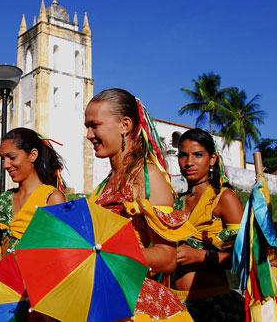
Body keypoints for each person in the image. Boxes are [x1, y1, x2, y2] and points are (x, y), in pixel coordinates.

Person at [85, 88, 194, 321]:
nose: (89, 135)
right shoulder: (102, 187)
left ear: (125, 125)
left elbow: (167, 257)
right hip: (102, 298)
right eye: (87, 127)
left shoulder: (147, 177)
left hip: (135, 303)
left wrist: (112, 256)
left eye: (95, 125)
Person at [169, 128, 245, 320]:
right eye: (183, 155)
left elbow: (244, 259)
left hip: (213, 305)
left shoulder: (223, 199)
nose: (189, 162)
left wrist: (201, 256)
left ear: (212, 159)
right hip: (176, 305)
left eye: (198, 155)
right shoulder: (176, 202)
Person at [0, 127, 66, 267]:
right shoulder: (2, 201)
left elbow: (58, 249)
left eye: (12, 157)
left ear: (33, 155)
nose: (6, 165)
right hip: (4, 282)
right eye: (3, 159)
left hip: (37, 278)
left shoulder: (51, 198)